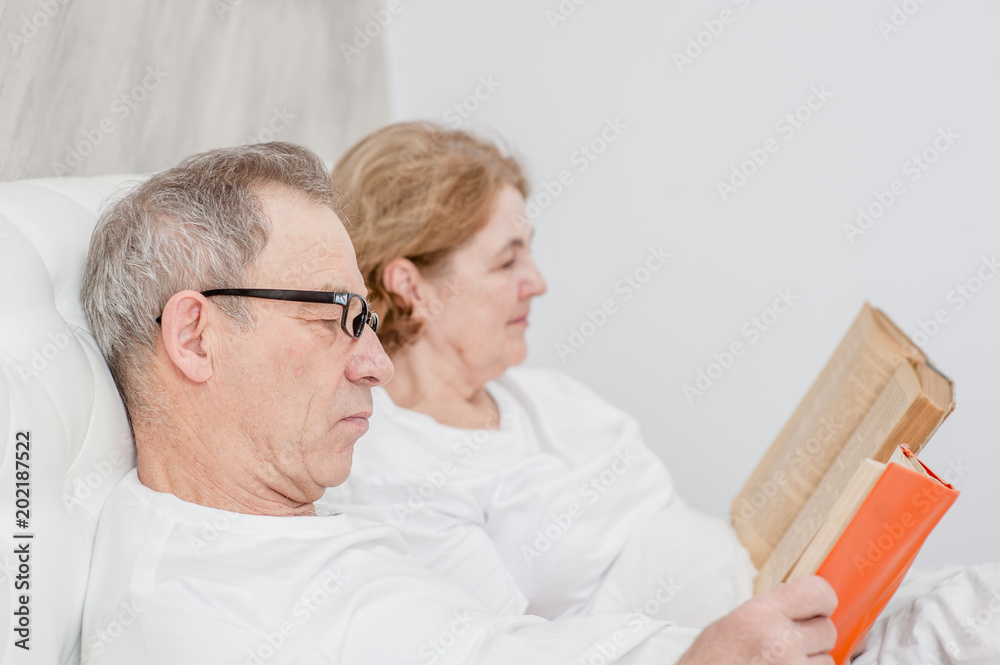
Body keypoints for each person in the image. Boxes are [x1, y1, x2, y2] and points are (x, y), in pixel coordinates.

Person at [78, 141, 839, 664]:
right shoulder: (196, 615)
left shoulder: (283, 540)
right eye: (334, 317)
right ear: (195, 336)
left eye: (367, 321)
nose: (375, 362)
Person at [322, 122, 754, 626]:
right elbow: (507, 650)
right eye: (507, 262)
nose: (538, 282)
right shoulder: (394, 470)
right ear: (410, 286)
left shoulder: (548, 399)